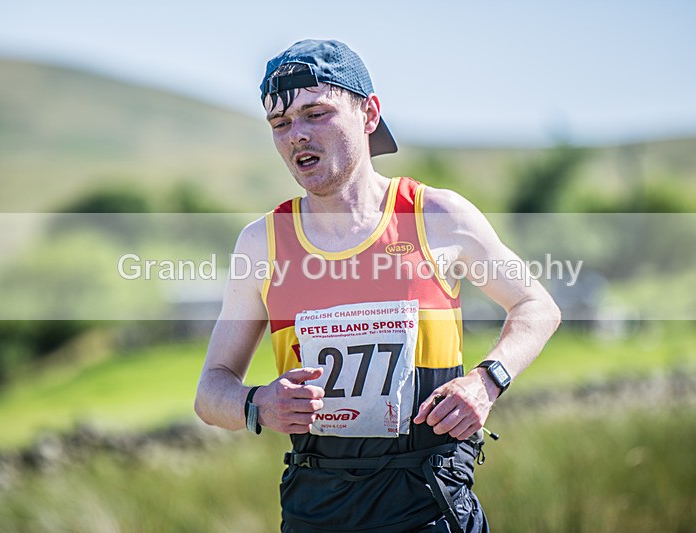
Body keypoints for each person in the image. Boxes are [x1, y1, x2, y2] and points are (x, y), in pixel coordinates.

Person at [195, 39, 561, 533]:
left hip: (430, 503)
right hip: (317, 507)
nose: (297, 134)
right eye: (280, 123)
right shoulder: (262, 243)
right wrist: (257, 403)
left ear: (369, 114)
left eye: (316, 114)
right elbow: (209, 391)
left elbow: (536, 305)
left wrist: (487, 380)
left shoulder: (437, 216)